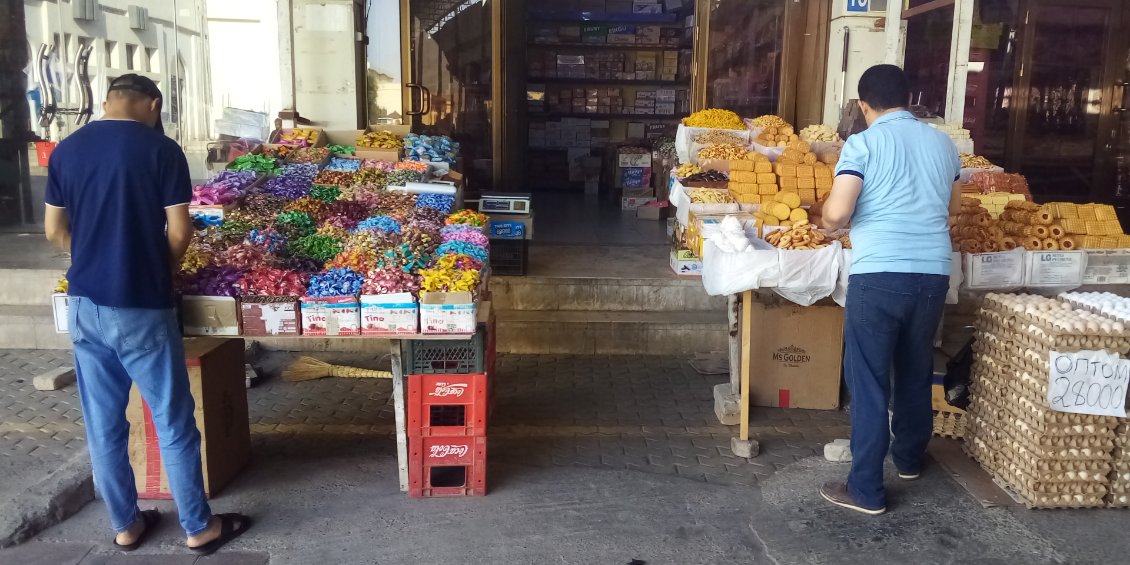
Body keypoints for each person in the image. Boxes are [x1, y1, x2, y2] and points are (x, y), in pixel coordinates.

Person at [44, 74, 251, 554]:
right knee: (172, 419)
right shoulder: (161, 151)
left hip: (84, 306)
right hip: (140, 305)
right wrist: (155, 270)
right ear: (153, 104)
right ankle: (199, 528)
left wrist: (94, 256)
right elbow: (179, 232)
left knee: (103, 424)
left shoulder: (67, 150)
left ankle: (125, 525)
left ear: (107, 100)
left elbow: (55, 231)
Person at [812, 65, 962, 515]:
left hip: (880, 276)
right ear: (909, 97)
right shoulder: (943, 143)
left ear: (863, 105)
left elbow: (838, 212)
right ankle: (911, 459)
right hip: (934, 274)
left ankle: (866, 490)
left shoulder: (862, 143)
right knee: (915, 369)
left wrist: (826, 222)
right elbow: (953, 209)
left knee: (871, 382)